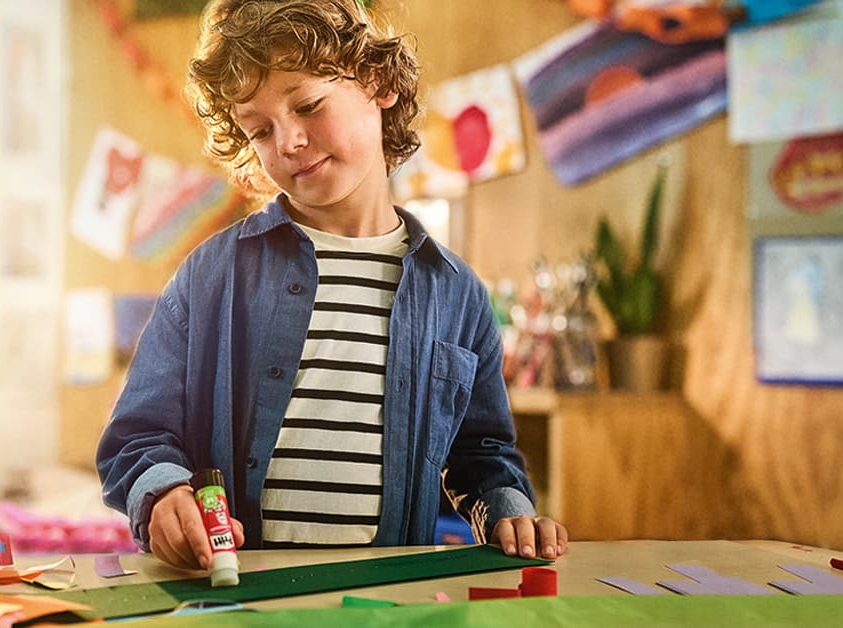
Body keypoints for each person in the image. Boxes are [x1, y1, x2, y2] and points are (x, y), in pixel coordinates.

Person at [97, 0, 568, 572]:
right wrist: (163, 493)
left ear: (379, 83)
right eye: (261, 129)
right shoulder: (211, 274)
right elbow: (137, 435)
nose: (289, 141)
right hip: (238, 594)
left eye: (308, 104)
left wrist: (506, 509)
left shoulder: (459, 294)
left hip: (387, 601)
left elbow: (483, 453)